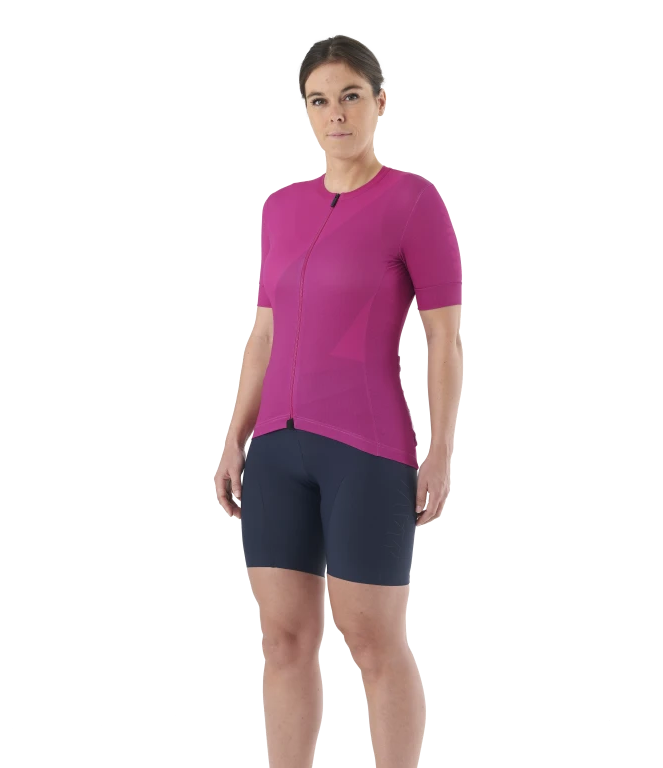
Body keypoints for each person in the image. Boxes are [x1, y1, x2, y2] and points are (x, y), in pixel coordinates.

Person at [214, 32, 463, 768]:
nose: (337, 114)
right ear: (307, 111)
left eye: (351, 97)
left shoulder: (414, 203)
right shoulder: (281, 209)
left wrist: (440, 452)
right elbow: (265, 333)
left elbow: (443, 339)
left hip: (368, 451)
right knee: (284, 641)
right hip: (277, 453)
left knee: (374, 641)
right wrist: (235, 438)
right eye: (319, 101)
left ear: (380, 102)